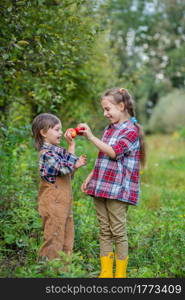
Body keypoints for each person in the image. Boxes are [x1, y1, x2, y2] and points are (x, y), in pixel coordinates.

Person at [79, 87, 146, 278]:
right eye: (104, 109)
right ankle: (106, 273)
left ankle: (121, 275)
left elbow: (114, 152)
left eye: (108, 109)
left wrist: (91, 136)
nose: (105, 113)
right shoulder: (109, 128)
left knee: (118, 231)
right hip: (101, 185)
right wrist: (92, 175)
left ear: (122, 106)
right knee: (104, 230)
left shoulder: (131, 131)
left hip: (118, 189)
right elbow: (104, 155)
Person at [32, 113, 86, 261]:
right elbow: (64, 169)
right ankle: (48, 271)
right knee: (54, 238)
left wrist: (72, 145)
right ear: (43, 133)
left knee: (67, 237)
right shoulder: (46, 154)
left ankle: (64, 270)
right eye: (57, 129)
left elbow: (68, 169)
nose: (61, 133)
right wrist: (74, 164)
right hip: (53, 203)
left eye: (61, 129)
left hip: (64, 203)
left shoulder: (58, 151)